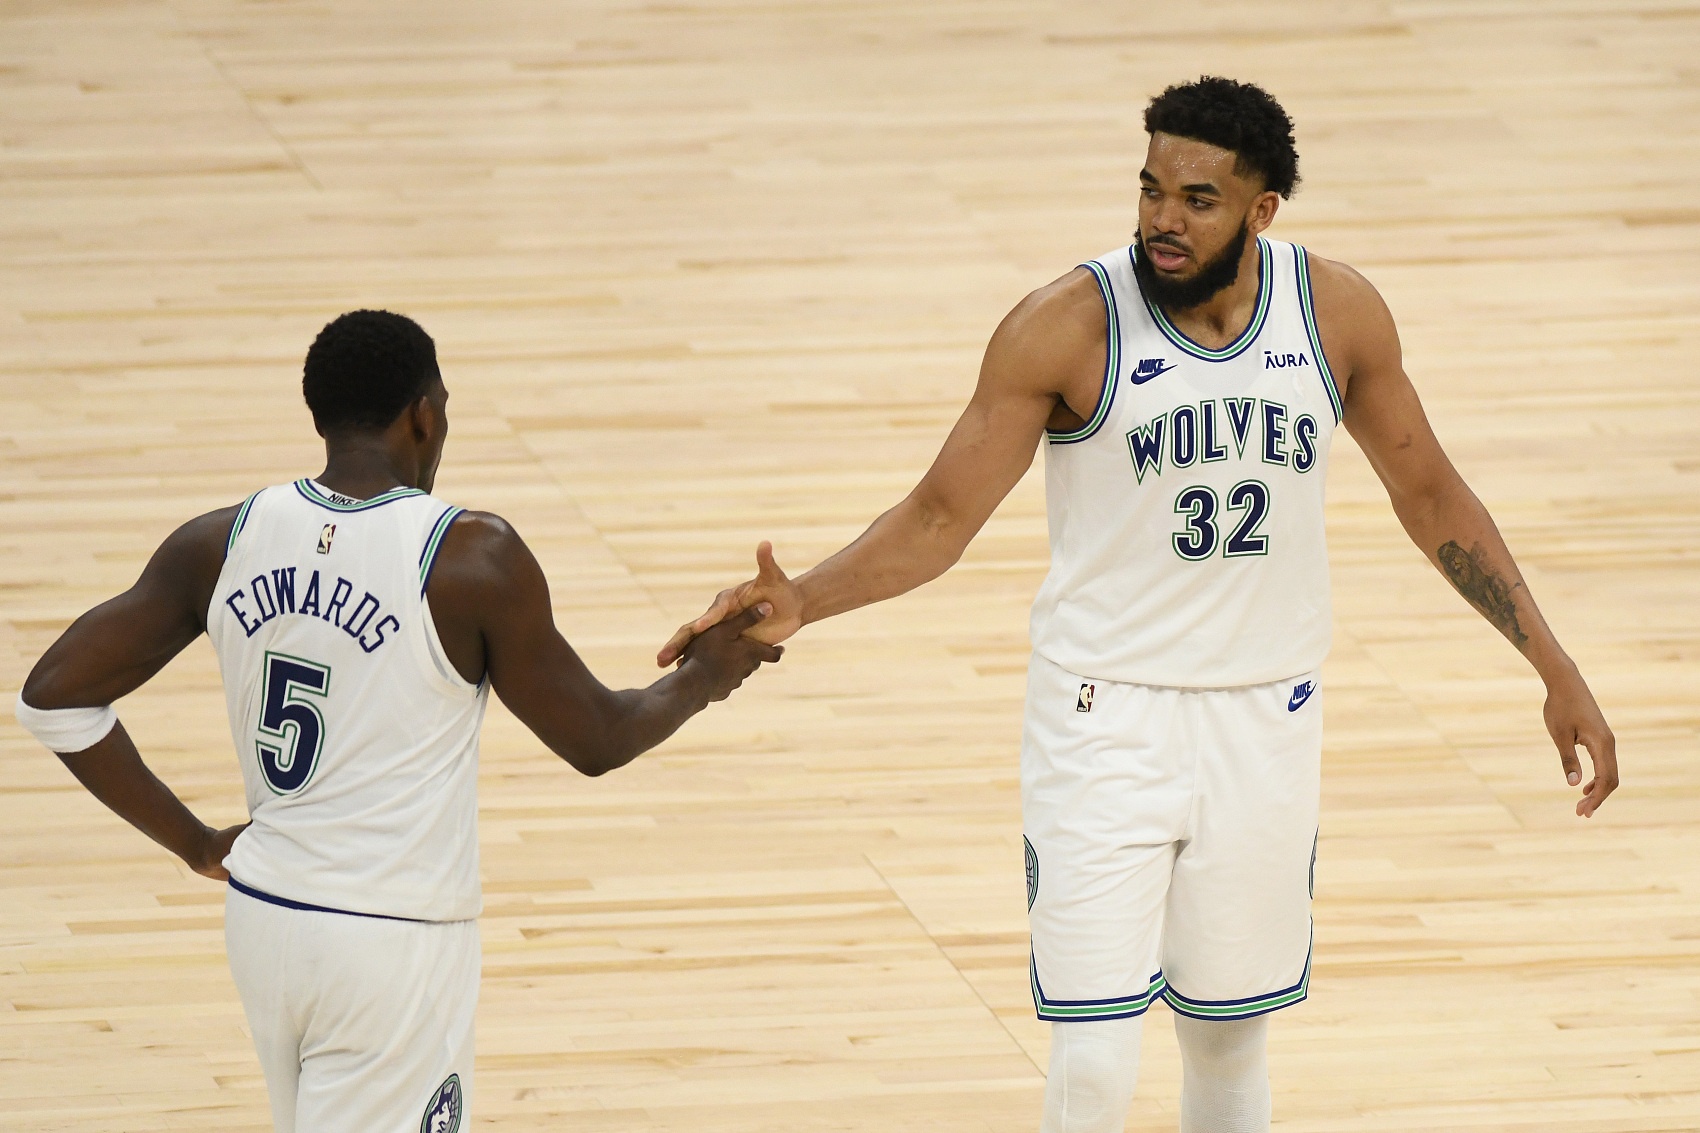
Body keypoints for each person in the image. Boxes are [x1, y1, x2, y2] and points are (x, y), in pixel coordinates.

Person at [656, 76, 1618, 1132]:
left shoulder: (1336, 312)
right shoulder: (1064, 326)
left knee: (1229, 1041)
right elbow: (937, 516)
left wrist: (1553, 664)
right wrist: (803, 597)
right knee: (1096, 1053)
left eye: (1198, 200)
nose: (1164, 217)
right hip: (1102, 720)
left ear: (1260, 210)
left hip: (1266, 716)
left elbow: (1429, 493)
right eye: (1152, 188)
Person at [14, 310, 782, 1133]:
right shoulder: (470, 556)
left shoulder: (223, 540)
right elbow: (598, 737)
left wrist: (198, 843)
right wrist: (703, 677)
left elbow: (54, 694)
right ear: (423, 413)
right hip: (391, 942)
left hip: (266, 917)